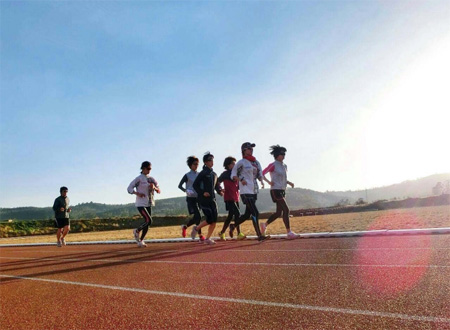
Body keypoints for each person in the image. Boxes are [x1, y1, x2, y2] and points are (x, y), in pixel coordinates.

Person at [231, 142, 269, 242]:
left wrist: (261, 180)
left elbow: (260, 174)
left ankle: (233, 225)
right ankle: (259, 236)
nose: (251, 150)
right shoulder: (241, 162)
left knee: (247, 214)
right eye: (249, 148)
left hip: (254, 190)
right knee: (255, 212)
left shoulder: (256, 162)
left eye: (252, 148)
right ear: (244, 150)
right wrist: (240, 179)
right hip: (245, 191)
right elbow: (233, 175)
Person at [261, 145, 297, 239]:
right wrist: (269, 182)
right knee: (286, 210)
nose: (284, 155)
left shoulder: (284, 166)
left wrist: (289, 182)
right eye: (282, 154)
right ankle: (289, 232)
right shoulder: (273, 165)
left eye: (284, 154)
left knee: (278, 213)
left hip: (282, 190)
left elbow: (283, 177)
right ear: (277, 155)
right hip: (275, 190)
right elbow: (262, 173)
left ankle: (264, 225)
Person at [190, 152, 223, 245]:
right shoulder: (203, 173)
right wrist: (202, 192)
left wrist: (220, 191)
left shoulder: (214, 174)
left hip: (213, 200)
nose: (211, 162)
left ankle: (207, 238)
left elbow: (216, 186)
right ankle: (196, 228)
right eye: (209, 160)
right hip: (203, 200)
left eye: (212, 160)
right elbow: (195, 185)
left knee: (214, 220)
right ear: (205, 162)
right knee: (209, 219)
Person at [127, 161, 160, 247]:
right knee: (149, 220)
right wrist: (137, 193)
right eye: (148, 169)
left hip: (149, 203)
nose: (149, 170)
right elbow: (129, 188)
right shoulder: (139, 178)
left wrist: (155, 188)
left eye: (150, 169)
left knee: (148, 223)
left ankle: (141, 241)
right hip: (140, 203)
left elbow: (159, 190)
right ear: (143, 168)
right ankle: (137, 231)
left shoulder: (152, 179)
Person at [177, 156, 204, 241]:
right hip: (191, 198)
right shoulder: (187, 175)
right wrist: (186, 190)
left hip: (199, 197)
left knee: (197, 217)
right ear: (190, 165)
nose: (196, 166)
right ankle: (200, 235)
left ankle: (185, 227)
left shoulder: (200, 174)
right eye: (195, 164)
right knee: (198, 216)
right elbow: (179, 186)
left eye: (197, 164)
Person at [217, 156, 242, 240]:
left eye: (235, 163)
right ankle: (237, 231)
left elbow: (237, 185)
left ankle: (222, 232)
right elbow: (217, 182)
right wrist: (220, 189)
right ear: (228, 165)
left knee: (231, 216)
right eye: (233, 163)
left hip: (236, 197)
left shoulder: (236, 174)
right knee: (238, 214)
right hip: (229, 197)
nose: (234, 165)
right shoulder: (225, 174)